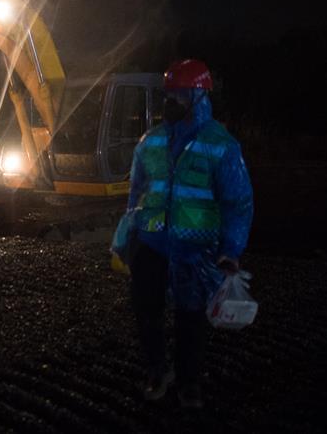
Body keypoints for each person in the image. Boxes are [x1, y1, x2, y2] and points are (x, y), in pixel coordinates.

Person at [114, 59, 253, 409]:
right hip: (150, 245)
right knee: (147, 312)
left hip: (195, 249)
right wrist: (128, 235)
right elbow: (136, 193)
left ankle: (189, 382)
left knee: (190, 319)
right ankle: (158, 372)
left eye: (177, 94)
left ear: (197, 95)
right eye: (167, 94)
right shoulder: (150, 142)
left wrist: (231, 249)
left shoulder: (222, 146)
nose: (169, 101)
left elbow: (238, 202)